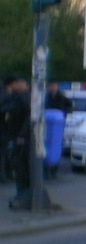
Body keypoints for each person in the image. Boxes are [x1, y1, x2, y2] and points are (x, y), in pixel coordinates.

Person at [3, 75, 31, 209]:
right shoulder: (13, 97)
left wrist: (22, 135)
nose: (18, 85)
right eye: (17, 83)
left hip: (23, 138)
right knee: (17, 165)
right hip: (13, 135)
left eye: (21, 82)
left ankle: (24, 195)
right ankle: (21, 194)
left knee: (22, 168)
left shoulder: (27, 98)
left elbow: (29, 116)